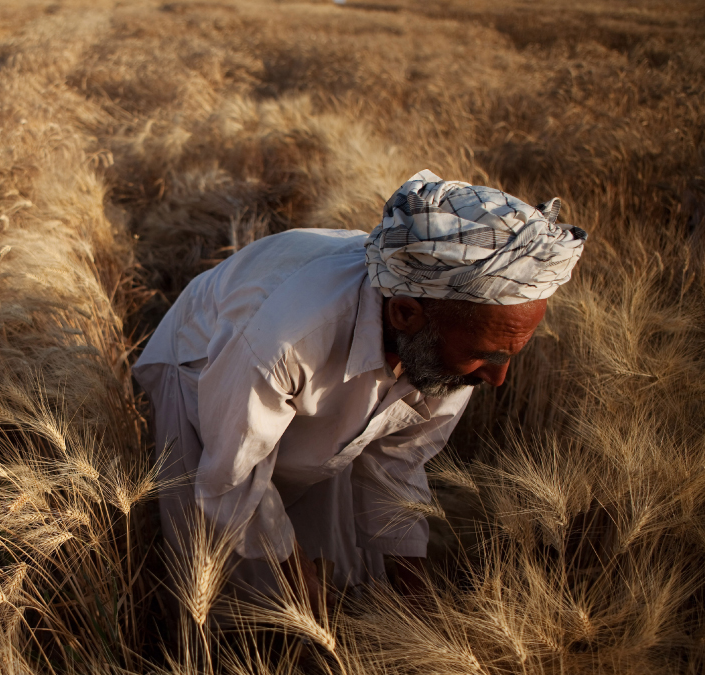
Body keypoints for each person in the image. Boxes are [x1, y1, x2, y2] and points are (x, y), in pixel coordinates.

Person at [133, 170, 587, 607]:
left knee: (336, 558)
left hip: (300, 365)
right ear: (405, 315)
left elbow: (397, 464)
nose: (497, 378)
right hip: (204, 365)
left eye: (507, 357)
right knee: (226, 565)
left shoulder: (453, 341)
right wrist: (300, 587)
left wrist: (417, 602)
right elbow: (235, 473)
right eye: (487, 357)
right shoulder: (285, 339)